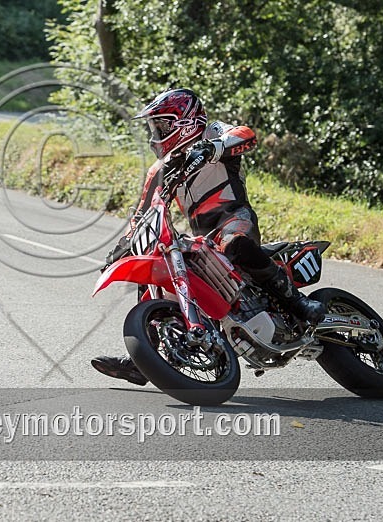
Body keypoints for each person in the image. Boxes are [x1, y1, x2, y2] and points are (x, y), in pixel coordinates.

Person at [91, 88, 327, 386]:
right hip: (206, 239)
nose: (155, 133)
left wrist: (212, 148)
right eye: (153, 127)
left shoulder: (214, 133)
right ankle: (146, 356)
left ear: (184, 122)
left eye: (161, 125)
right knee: (149, 267)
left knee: (234, 243)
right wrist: (122, 248)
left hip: (234, 219)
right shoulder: (158, 171)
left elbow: (246, 135)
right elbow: (141, 214)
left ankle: (299, 304)